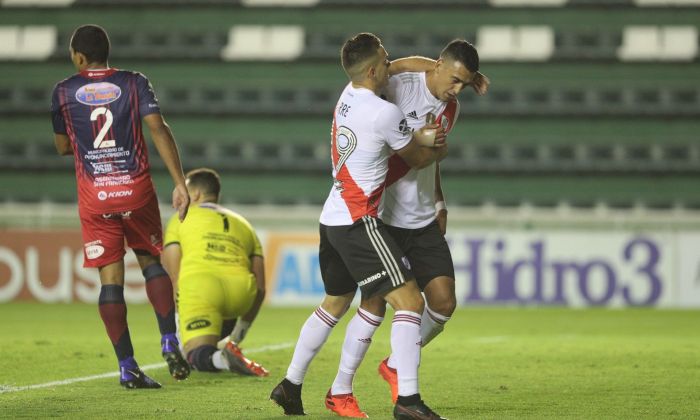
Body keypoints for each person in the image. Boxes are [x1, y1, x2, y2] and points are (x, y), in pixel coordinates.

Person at [270, 32, 448, 420]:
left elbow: (396, 69)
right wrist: (434, 141)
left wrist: (423, 69)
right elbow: (417, 159)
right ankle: (409, 402)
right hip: (358, 221)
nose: (391, 65)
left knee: (334, 304)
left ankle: (291, 384)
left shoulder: (347, 94)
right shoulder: (384, 112)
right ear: (372, 70)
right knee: (411, 303)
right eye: (385, 61)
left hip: (331, 216)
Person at [328, 40, 489, 407]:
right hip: (383, 215)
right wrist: (430, 147)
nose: (457, 89)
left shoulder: (451, 107)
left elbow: (431, 158)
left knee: (444, 303)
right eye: (454, 79)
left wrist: (439, 199)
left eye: (464, 84)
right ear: (437, 66)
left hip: (422, 218)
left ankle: (395, 364)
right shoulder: (398, 86)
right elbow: (394, 67)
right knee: (374, 305)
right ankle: (341, 387)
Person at [51, 24, 190, 389]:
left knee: (110, 282)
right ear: (106, 52)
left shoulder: (63, 90)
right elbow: (158, 128)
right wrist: (180, 182)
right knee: (149, 260)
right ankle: (169, 340)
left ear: (78, 57)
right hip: (136, 189)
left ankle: (128, 367)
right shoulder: (134, 82)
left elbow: (63, 147)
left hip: (95, 195)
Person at [161, 168, 268, 377]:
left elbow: (174, 278)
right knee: (214, 338)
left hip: (203, 289)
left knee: (194, 355)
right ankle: (227, 348)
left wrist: (179, 330)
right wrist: (237, 336)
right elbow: (261, 288)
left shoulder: (180, 217)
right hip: (241, 295)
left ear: (196, 195)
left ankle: (221, 359)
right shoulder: (244, 224)